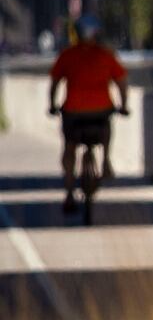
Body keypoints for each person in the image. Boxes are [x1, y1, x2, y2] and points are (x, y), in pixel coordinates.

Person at [47, 14, 129, 212]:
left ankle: (68, 193)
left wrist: (52, 104)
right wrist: (124, 105)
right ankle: (106, 160)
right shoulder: (105, 55)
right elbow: (121, 82)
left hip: (73, 112)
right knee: (107, 126)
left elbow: (55, 83)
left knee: (69, 147)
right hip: (101, 111)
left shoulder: (67, 55)